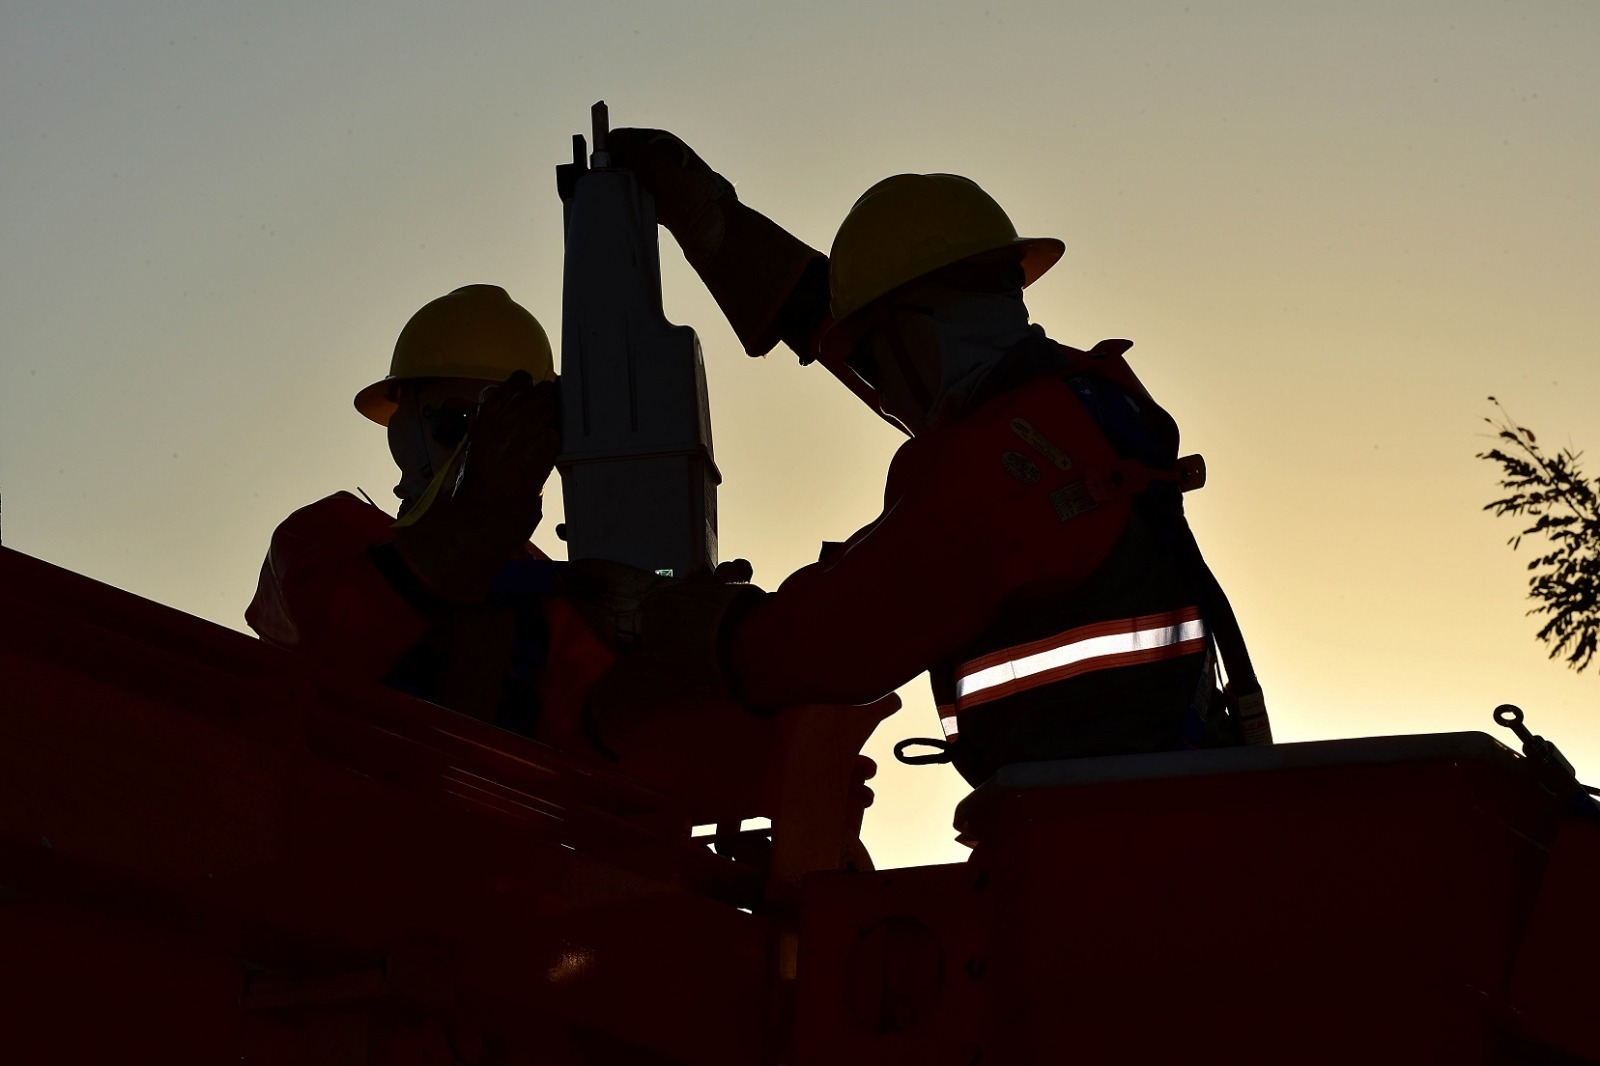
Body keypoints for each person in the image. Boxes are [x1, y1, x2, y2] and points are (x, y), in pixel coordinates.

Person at [597, 131, 1267, 787]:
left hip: (1090, 821)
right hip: (1148, 789)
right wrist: (728, 238)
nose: (882, 391)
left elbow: (835, 640)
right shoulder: (1071, 409)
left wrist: (691, 626)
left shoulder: (989, 470)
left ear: (914, 334)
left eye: (877, 353)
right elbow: (905, 370)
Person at [247, 285, 612, 735]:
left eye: (514, 424)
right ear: (403, 425)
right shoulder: (325, 535)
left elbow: (605, 731)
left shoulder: (554, 593)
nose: (489, 444)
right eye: (462, 421)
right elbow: (334, 636)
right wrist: (476, 521)